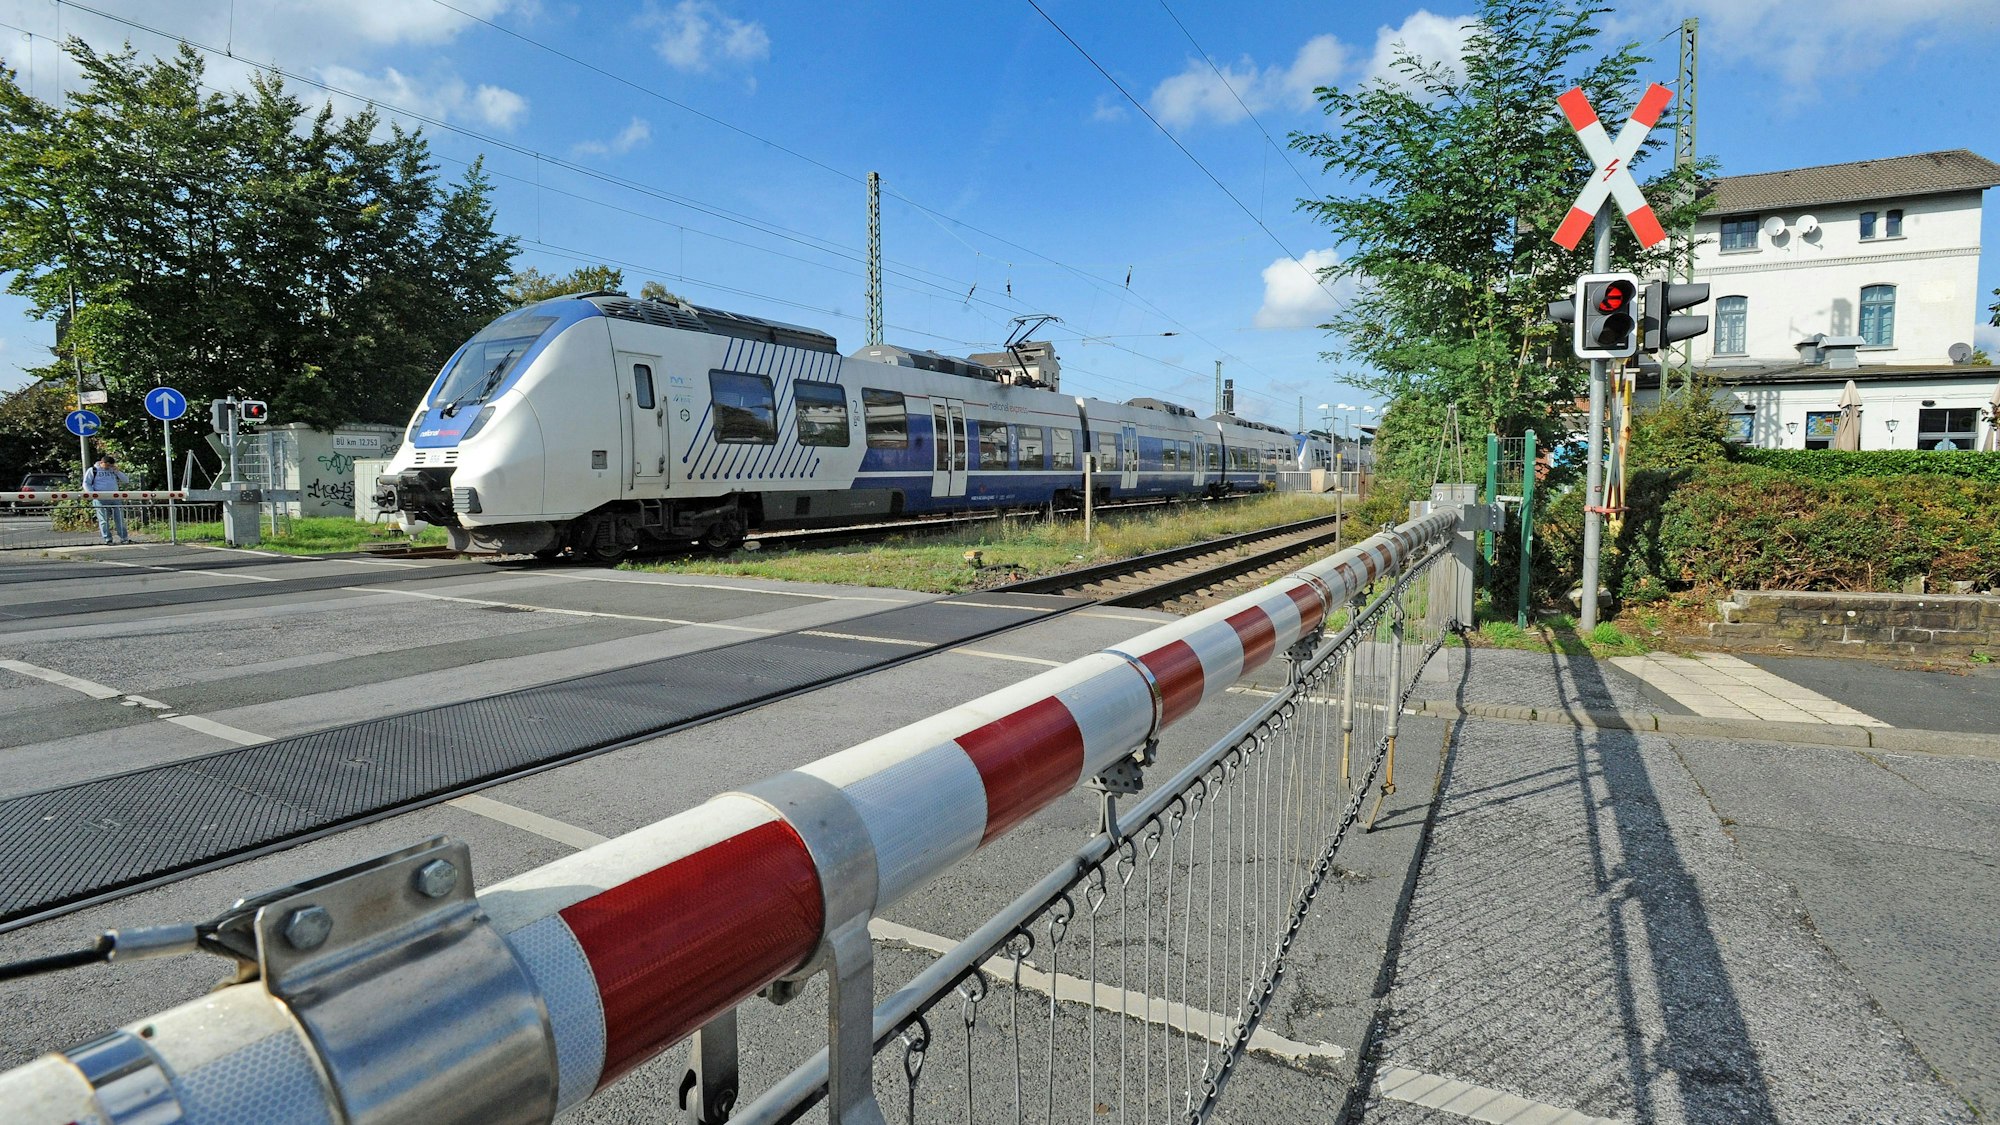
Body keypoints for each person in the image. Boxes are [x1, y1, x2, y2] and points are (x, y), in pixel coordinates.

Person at [83, 454, 132, 544]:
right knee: (104, 520)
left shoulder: (113, 470)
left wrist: (117, 472)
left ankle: (124, 538)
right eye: (108, 465)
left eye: (111, 465)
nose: (109, 467)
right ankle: (107, 539)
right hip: (101, 498)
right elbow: (86, 483)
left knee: (119, 519)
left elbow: (126, 480)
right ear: (102, 463)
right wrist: (93, 494)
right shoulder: (93, 470)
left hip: (115, 497)